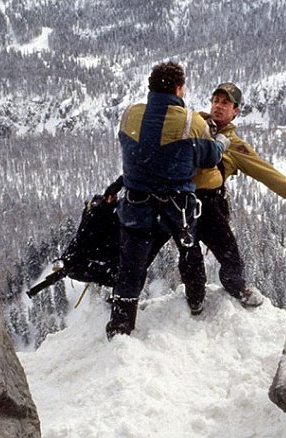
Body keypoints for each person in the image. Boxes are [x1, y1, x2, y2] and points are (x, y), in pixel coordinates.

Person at [106, 61, 228, 340]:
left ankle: (121, 327)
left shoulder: (130, 115)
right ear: (178, 88)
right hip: (178, 208)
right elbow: (210, 158)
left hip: (136, 205)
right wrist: (222, 143)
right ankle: (196, 301)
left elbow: (132, 148)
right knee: (189, 252)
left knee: (131, 267)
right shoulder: (190, 121)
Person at [192, 82, 286, 307]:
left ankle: (233, 290)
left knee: (230, 257)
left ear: (235, 111)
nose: (218, 107)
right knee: (168, 251)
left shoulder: (235, 146)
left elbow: (265, 172)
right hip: (174, 199)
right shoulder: (193, 124)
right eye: (216, 101)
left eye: (226, 103)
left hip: (207, 207)